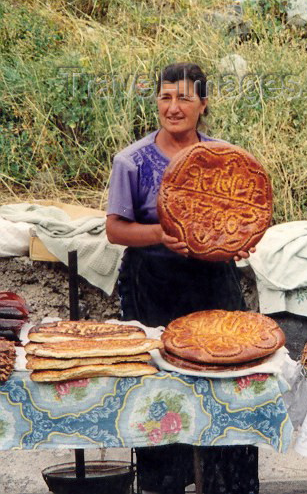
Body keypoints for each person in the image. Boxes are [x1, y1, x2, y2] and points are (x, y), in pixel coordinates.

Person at [106, 63, 258, 494]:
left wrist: (238, 244)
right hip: (152, 284)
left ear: (203, 104)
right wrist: (162, 234)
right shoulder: (131, 161)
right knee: (159, 391)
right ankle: (163, 484)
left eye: (185, 98)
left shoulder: (224, 159)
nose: (173, 107)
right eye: (165, 97)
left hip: (213, 283)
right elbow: (115, 229)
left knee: (227, 380)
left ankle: (229, 484)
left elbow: (241, 219)